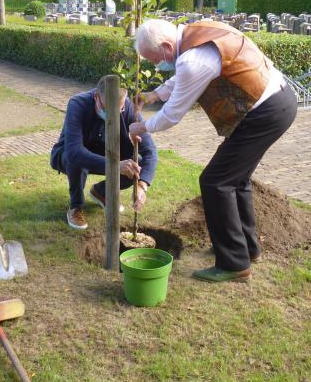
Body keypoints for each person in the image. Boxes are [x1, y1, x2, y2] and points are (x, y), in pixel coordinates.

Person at [129, 19, 297, 282]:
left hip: (266, 112)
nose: (154, 65)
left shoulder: (192, 59)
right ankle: (246, 249)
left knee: (215, 181)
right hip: (277, 102)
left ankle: (234, 264)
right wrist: (155, 94)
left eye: (153, 59)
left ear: (165, 46)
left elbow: (173, 114)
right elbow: (184, 76)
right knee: (236, 180)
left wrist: (143, 127)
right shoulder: (196, 35)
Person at [51, 76, 158, 230]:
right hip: (71, 155)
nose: (114, 116)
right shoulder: (77, 104)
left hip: (105, 153)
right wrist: (115, 166)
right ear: (96, 97)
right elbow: (74, 151)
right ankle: (76, 206)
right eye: (107, 109)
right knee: (74, 158)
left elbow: (150, 151)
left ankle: (101, 192)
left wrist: (142, 185)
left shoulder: (128, 108)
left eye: (118, 110)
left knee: (136, 164)